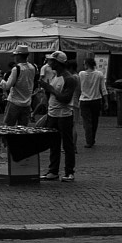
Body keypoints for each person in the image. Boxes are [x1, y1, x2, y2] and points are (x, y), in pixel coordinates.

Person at [40, 49, 80, 181]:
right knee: (54, 143)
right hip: (53, 114)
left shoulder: (69, 79)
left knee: (67, 145)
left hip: (64, 115)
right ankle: (53, 171)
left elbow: (65, 98)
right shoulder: (54, 76)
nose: (49, 62)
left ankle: (69, 172)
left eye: (51, 60)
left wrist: (50, 89)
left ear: (57, 62)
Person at [76, 55, 109, 148]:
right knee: (95, 121)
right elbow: (103, 89)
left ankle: (89, 140)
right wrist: (106, 101)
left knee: (87, 122)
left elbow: (78, 88)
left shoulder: (81, 74)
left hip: (84, 100)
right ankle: (92, 138)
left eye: (84, 64)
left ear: (86, 64)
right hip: (96, 100)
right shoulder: (99, 74)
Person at [2, 47, 40, 126]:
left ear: (19, 56)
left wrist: (0, 79)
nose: (15, 58)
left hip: (14, 101)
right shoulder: (32, 67)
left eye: (15, 56)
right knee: (22, 129)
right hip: (27, 103)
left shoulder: (16, 69)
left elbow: (7, 86)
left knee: (8, 127)